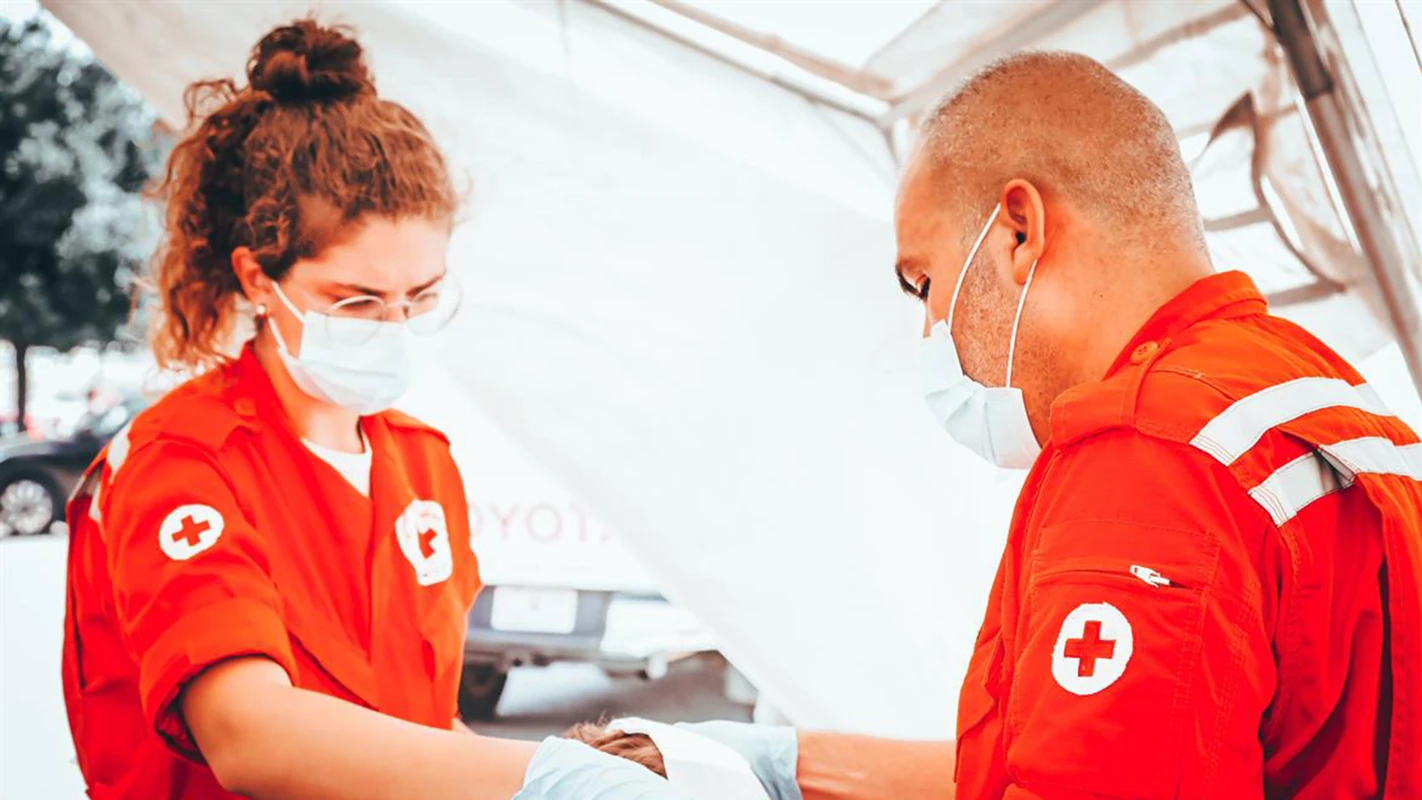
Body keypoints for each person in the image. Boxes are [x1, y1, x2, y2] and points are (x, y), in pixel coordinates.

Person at [679, 51, 1422, 799]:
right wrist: (788, 763)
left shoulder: (1151, 458)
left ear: (1019, 231)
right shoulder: (1313, 393)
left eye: (925, 283)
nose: (932, 328)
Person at [60, 19, 687, 800]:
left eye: (421, 297)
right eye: (355, 301)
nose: (395, 330)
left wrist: (585, 770)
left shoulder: (420, 464)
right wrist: (548, 776)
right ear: (258, 278)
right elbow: (249, 735)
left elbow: (415, 734)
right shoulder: (182, 464)